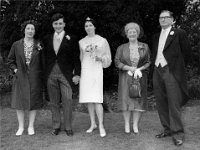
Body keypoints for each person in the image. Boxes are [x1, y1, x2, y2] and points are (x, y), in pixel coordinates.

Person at [151, 10, 191, 146]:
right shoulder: (156, 36)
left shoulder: (179, 33)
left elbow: (186, 53)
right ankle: (167, 129)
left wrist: (177, 68)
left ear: (172, 19)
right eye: (161, 17)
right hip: (157, 69)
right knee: (161, 102)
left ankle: (178, 133)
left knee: (174, 103)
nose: (163, 20)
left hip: (171, 71)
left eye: (166, 17)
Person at [42, 13, 81, 136]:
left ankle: (68, 127)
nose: (58, 25)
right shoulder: (46, 38)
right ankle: (56, 126)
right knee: (53, 102)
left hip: (67, 74)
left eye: (60, 23)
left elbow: (76, 58)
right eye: (55, 23)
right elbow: (44, 57)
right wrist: (44, 74)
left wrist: (77, 74)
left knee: (67, 100)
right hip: (50, 74)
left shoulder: (72, 38)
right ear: (52, 25)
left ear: (64, 24)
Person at [7, 20, 44, 136]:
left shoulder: (39, 44)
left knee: (33, 103)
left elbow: (43, 62)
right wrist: (16, 70)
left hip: (35, 78)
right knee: (19, 103)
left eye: (32, 29)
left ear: (35, 31)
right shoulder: (16, 45)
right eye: (28, 28)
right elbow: (10, 61)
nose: (30, 31)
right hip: (20, 78)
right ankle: (21, 127)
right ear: (24, 30)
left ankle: (31, 127)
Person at [115, 22, 150, 134]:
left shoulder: (145, 46)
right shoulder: (121, 48)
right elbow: (117, 61)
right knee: (126, 100)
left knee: (138, 101)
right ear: (127, 34)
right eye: (130, 32)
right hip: (126, 77)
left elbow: (149, 61)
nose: (132, 33)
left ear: (137, 33)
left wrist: (140, 69)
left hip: (140, 77)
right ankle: (126, 124)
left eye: (134, 31)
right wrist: (128, 68)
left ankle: (135, 125)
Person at [79, 17, 112, 137]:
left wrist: (100, 58)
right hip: (86, 71)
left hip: (97, 71)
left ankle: (101, 125)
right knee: (89, 99)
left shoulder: (103, 41)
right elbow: (81, 58)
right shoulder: (81, 42)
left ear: (94, 27)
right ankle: (93, 124)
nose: (88, 27)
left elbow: (108, 58)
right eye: (86, 26)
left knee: (97, 99)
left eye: (90, 25)